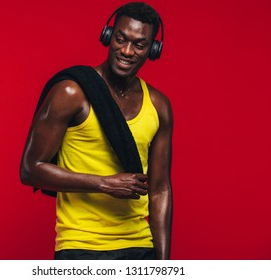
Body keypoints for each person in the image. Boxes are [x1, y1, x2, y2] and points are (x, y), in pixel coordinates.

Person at [20, 2, 173, 260]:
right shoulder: (72, 93)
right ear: (108, 36)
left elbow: (160, 189)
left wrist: (163, 266)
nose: (126, 51)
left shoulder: (158, 105)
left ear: (153, 50)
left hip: (140, 246)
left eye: (139, 44)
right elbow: (30, 169)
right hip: (80, 246)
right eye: (120, 39)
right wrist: (104, 183)